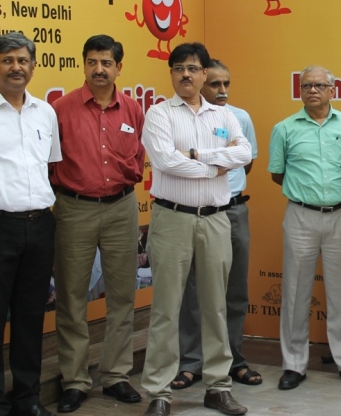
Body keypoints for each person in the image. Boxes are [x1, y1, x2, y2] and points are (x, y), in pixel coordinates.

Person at [140, 43, 251, 416]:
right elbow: (165, 161)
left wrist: (197, 155)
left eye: (192, 68)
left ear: (205, 74)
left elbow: (243, 154)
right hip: (172, 218)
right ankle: (159, 392)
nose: (185, 74)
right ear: (171, 73)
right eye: (178, 68)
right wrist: (216, 165)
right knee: (166, 308)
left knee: (215, 306)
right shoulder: (159, 114)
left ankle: (218, 387)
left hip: (216, 219)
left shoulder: (224, 115)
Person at [50, 35, 145, 413]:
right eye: (92, 62)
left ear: (119, 67)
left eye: (106, 63)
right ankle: (74, 381)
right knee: (72, 297)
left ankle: (116, 375)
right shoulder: (61, 109)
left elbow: (138, 155)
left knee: (122, 295)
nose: (99, 69)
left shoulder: (133, 109)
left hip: (121, 207)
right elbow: (49, 162)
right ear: (84, 65)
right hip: (75, 208)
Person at [268, 66, 341, 391]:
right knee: (295, 292)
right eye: (306, 85)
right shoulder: (284, 128)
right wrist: (307, 192)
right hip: (301, 215)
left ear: (333, 90)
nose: (313, 90)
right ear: (300, 90)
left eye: (320, 85)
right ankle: (294, 364)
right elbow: (278, 174)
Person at [172, 59, 260, 390]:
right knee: (192, 291)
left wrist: (206, 159)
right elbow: (178, 161)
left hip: (232, 210)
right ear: (200, 81)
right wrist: (219, 160)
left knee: (234, 291)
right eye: (215, 84)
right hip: (193, 211)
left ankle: (234, 360)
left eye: (227, 84)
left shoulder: (239, 118)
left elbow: (245, 162)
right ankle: (191, 362)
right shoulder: (178, 118)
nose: (222, 91)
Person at [0, 32, 61, 416]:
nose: (16, 67)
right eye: (7, 60)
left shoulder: (45, 112)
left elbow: (50, 166)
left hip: (39, 225)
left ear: (34, 67)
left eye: (22, 60)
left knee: (29, 318)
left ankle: (26, 399)